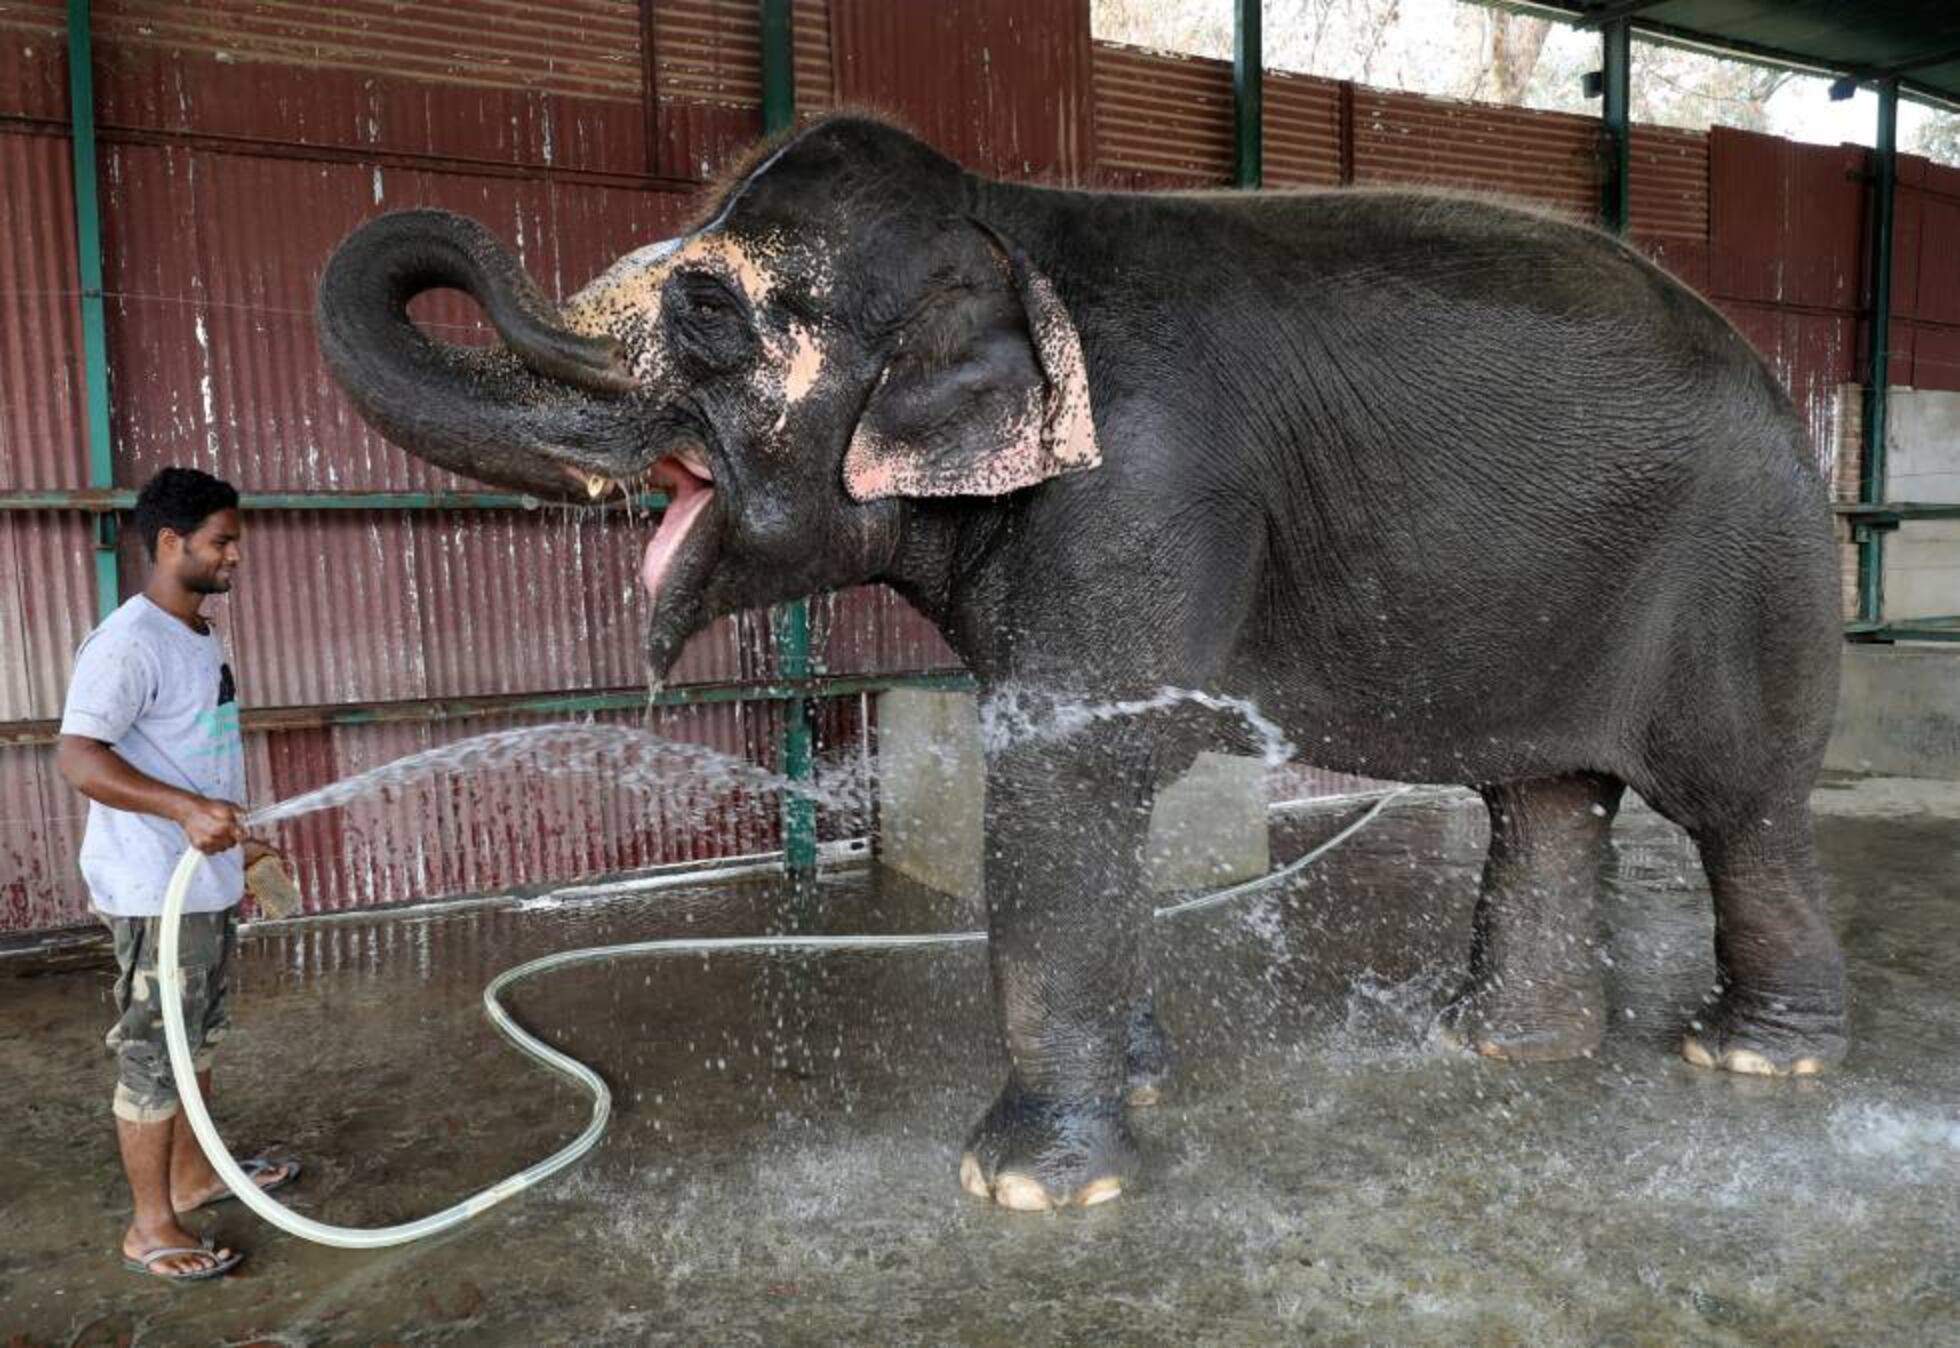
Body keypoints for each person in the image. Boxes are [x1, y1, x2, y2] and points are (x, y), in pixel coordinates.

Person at [56, 466, 300, 1282]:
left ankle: (194, 1179)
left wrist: (240, 842)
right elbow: (79, 757)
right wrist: (186, 811)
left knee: (195, 1041)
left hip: (201, 882)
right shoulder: (128, 642)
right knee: (155, 1057)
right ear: (171, 542)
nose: (236, 555)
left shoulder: (197, 633)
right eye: (222, 541)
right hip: (152, 889)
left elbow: (195, 751)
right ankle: (150, 1226)